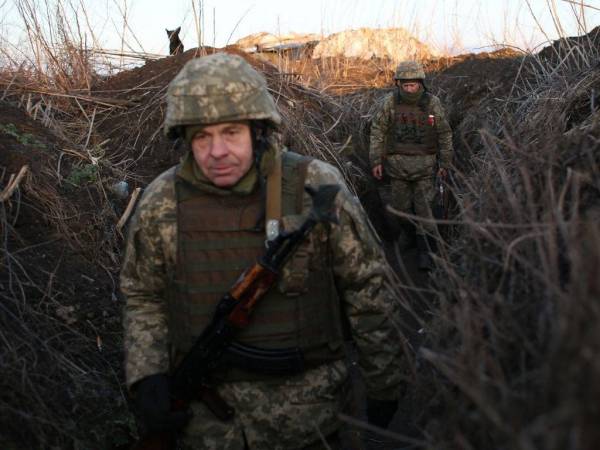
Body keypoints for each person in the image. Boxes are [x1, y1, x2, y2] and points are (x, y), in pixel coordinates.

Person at [121, 53, 405, 449]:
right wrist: (147, 376)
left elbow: (367, 288)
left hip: (309, 418)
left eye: (231, 132)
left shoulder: (314, 186)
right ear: (184, 139)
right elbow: (143, 295)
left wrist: (384, 384)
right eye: (202, 136)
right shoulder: (161, 202)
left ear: (257, 131)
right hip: (205, 429)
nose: (216, 151)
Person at [369, 60, 453, 270]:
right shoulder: (389, 103)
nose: (409, 89)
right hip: (397, 170)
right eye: (405, 85)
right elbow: (378, 131)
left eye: (413, 85)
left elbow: (444, 133)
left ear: (420, 83)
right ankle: (408, 236)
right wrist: (376, 160)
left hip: (425, 169)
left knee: (426, 212)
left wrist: (445, 162)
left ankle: (425, 250)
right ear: (398, 84)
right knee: (401, 209)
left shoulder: (432, 103)